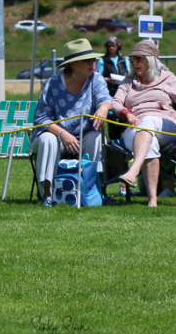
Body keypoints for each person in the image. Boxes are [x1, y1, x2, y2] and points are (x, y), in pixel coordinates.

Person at [30, 38, 112, 207]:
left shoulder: (96, 79)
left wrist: (104, 107)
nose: (92, 63)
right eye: (86, 60)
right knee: (47, 140)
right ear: (72, 64)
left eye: (93, 59)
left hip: (85, 136)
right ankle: (48, 195)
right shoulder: (52, 84)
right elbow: (41, 119)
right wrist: (63, 134)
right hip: (56, 136)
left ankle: (91, 190)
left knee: (97, 137)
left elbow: (105, 99)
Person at [112, 41, 176, 207]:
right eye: (133, 59)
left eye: (140, 58)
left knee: (148, 120)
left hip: (166, 126)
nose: (136, 62)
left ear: (152, 60)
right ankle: (152, 200)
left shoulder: (168, 78)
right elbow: (116, 103)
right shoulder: (128, 81)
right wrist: (128, 115)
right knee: (150, 141)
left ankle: (134, 170)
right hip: (135, 127)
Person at [97, 35, 132, 141]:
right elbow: (98, 77)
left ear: (117, 46)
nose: (111, 48)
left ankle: (120, 138)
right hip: (110, 92)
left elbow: (129, 73)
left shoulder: (124, 59)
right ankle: (113, 140)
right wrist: (108, 79)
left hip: (123, 92)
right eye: (109, 46)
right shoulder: (103, 60)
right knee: (111, 117)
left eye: (113, 45)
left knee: (123, 116)